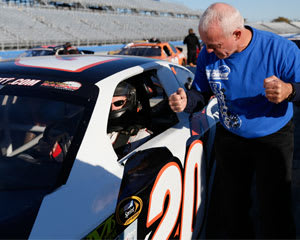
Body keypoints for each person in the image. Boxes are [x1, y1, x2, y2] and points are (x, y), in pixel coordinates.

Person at [169, 2, 300, 239]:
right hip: (231, 136)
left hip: (273, 138)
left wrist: (290, 90)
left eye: (214, 45)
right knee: (232, 208)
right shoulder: (208, 55)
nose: (207, 51)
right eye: (205, 44)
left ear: (237, 34)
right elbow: (201, 94)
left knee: (274, 209)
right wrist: (186, 100)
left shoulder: (280, 50)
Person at [107, 82, 152, 157]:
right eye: (108, 103)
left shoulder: (142, 137)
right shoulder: (92, 127)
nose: (112, 108)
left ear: (129, 102)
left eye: (118, 103)